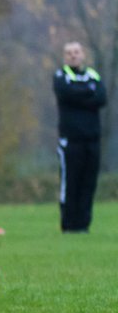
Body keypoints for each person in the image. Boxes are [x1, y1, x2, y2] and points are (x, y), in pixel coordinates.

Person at [54, 40, 106, 233]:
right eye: (69, 53)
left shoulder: (93, 75)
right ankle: (68, 225)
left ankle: (83, 225)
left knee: (88, 183)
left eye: (76, 52)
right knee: (71, 183)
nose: (73, 55)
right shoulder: (61, 76)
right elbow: (66, 94)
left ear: (83, 54)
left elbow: (101, 97)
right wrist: (87, 93)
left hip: (92, 140)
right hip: (71, 141)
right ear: (65, 56)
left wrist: (80, 95)